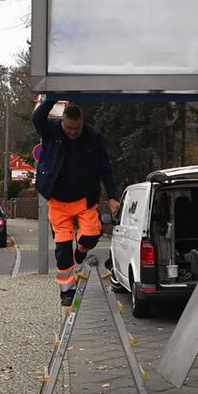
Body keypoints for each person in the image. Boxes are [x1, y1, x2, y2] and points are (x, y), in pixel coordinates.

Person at [32, 95, 120, 307]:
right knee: (62, 250)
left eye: (77, 128)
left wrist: (113, 196)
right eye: (69, 128)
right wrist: (51, 98)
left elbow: (105, 169)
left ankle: (80, 252)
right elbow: (37, 118)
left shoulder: (93, 138)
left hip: (84, 200)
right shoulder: (52, 131)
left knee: (91, 234)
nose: (73, 132)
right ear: (62, 122)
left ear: (82, 123)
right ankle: (66, 290)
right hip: (58, 201)